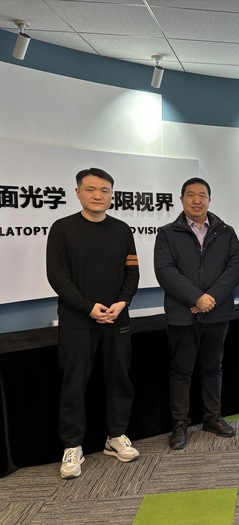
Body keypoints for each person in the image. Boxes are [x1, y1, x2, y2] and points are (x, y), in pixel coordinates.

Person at [46, 167, 140, 480]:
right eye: (90, 189)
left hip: (116, 317)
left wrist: (122, 303)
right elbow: (58, 277)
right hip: (77, 320)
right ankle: (73, 445)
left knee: (119, 378)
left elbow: (132, 273)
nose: (98, 195)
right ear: (77, 193)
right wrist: (88, 307)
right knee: (73, 383)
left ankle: (116, 436)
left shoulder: (122, 230)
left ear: (111, 195)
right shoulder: (62, 228)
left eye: (104, 190)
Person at [154, 177, 239, 450]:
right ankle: (180, 424)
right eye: (191, 195)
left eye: (202, 195)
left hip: (217, 314)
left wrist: (210, 299)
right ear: (181, 199)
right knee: (181, 371)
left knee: (213, 368)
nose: (196, 200)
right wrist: (196, 298)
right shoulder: (167, 233)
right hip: (182, 315)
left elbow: (234, 268)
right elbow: (165, 271)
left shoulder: (226, 232)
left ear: (209, 199)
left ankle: (212, 417)